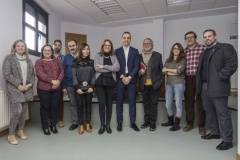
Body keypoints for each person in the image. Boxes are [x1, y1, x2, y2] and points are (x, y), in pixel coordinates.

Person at [196, 29, 237, 150]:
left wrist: (220, 77)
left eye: (209, 36)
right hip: (204, 86)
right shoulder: (203, 53)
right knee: (209, 111)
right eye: (205, 37)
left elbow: (232, 64)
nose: (207, 38)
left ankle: (227, 140)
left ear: (215, 36)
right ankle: (214, 132)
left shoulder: (225, 47)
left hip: (218, 86)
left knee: (223, 113)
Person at [2, 39, 35, 144]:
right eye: (18, 46)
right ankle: (11, 134)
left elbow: (32, 75)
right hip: (14, 89)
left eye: (22, 46)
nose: (21, 47)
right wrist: (18, 85)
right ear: (14, 47)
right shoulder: (9, 58)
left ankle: (21, 130)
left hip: (27, 89)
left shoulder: (28, 61)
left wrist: (29, 85)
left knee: (24, 111)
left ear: (25, 48)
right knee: (17, 111)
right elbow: (7, 74)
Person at [35, 44, 64, 135]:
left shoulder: (57, 61)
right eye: (45, 50)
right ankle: (45, 127)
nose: (47, 52)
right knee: (44, 108)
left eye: (49, 50)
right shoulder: (39, 61)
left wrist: (58, 82)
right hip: (43, 88)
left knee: (55, 107)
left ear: (52, 52)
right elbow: (40, 74)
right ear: (42, 52)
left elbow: (62, 71)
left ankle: (53, 125)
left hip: (56, 88)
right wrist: (52, 81)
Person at [115, 31, 140, 132]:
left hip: (131, 80)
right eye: (124, 38)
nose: (126, 39)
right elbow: (116, 65)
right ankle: (119, 123)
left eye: (128, 38)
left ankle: (133, 123)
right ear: (122, 39)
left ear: (130, 39)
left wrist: (129, 77)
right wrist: (122, 76)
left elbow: (136, 66)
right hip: (120, 80)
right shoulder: (117, 51)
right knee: (119, 102)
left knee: (132, 102)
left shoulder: (135, 51)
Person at [94, 39, 120, 135]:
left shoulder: (114, 56)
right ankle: (102, 125)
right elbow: (96, 68)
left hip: (111, 82)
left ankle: (108, 124)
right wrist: (110, 67)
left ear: (111, 47)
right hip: (100, 82)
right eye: (105, 45)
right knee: (101, 104)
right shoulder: (97, 55)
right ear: (103, 46)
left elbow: (117, 68)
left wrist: (103, 66)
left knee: (109, 104)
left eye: (109, 45)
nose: (107, 47)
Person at [183, 31, 207, 135]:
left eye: (191, 37)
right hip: (187, 79)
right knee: (189, 103)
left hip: (199, 79)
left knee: (200, 103)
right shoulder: (183, 52)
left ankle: (201, 126)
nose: (189, 39)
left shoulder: (203, 48)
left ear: (196, 38)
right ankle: (189, 123)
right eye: (187, 38)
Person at [138, 38, 163, 131]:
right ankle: (147, 121)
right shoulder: (139, 56)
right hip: (144, 84)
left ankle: (153, 123)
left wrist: (160, 82)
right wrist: (139, 71)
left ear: (152, 45)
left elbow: (162, 70)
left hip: (155, 85)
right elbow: (136, 69)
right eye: (145, 43)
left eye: (148, 43)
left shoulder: (158, 56)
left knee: (153, 104)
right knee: (146, 104)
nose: (146, 44)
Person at [161, 43, 186, 131]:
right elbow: (163, 72)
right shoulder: (168, 60)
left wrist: (167, 69)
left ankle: (177, 124)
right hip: (169, 84)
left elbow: (179, 71)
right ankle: (170, 121)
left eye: (178, 49)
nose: (176, 50)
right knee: (168, 104)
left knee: (178, 104)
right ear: (172, 50)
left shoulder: (183, 60)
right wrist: (174, 71)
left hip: (179, 83)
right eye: (174, 48)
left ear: (180, 50)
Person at [72, 43, 95, 134]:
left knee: (88, 106)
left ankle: (87, 124)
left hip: (89, 88)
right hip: (79, 88)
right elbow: (74, 76)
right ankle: (81, 125)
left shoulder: (92, 62)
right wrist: (77, 88)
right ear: (80, 50)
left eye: (87, 49)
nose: (86, 51)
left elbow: (94, 75)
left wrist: (92, 86)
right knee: (80, 106)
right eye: (84, 49)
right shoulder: (75, 62)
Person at [62, 39, 79, 130]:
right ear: (68, 47)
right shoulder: (65, 58)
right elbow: (62, 72)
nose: (72, 47)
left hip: (81, 85)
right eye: (70, 46)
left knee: (82, 103)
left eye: (73, 45)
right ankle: (75, 122)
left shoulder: (82, 56)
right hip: (69, 84)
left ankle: (83, 121)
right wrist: (63, 86)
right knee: (73, 103)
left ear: (77, 45)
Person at [53, 40, 65, 128]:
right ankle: (50, 119)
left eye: (59, 45)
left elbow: (63, 71)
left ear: (61, 47)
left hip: (60, 82)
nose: (57, 46)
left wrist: (58, 82)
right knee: (49, 102)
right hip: (49, 83)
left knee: (60, 102)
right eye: (55, 45)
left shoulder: (64, 58)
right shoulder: (48, 56)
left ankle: (60, 119)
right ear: (53, 46)